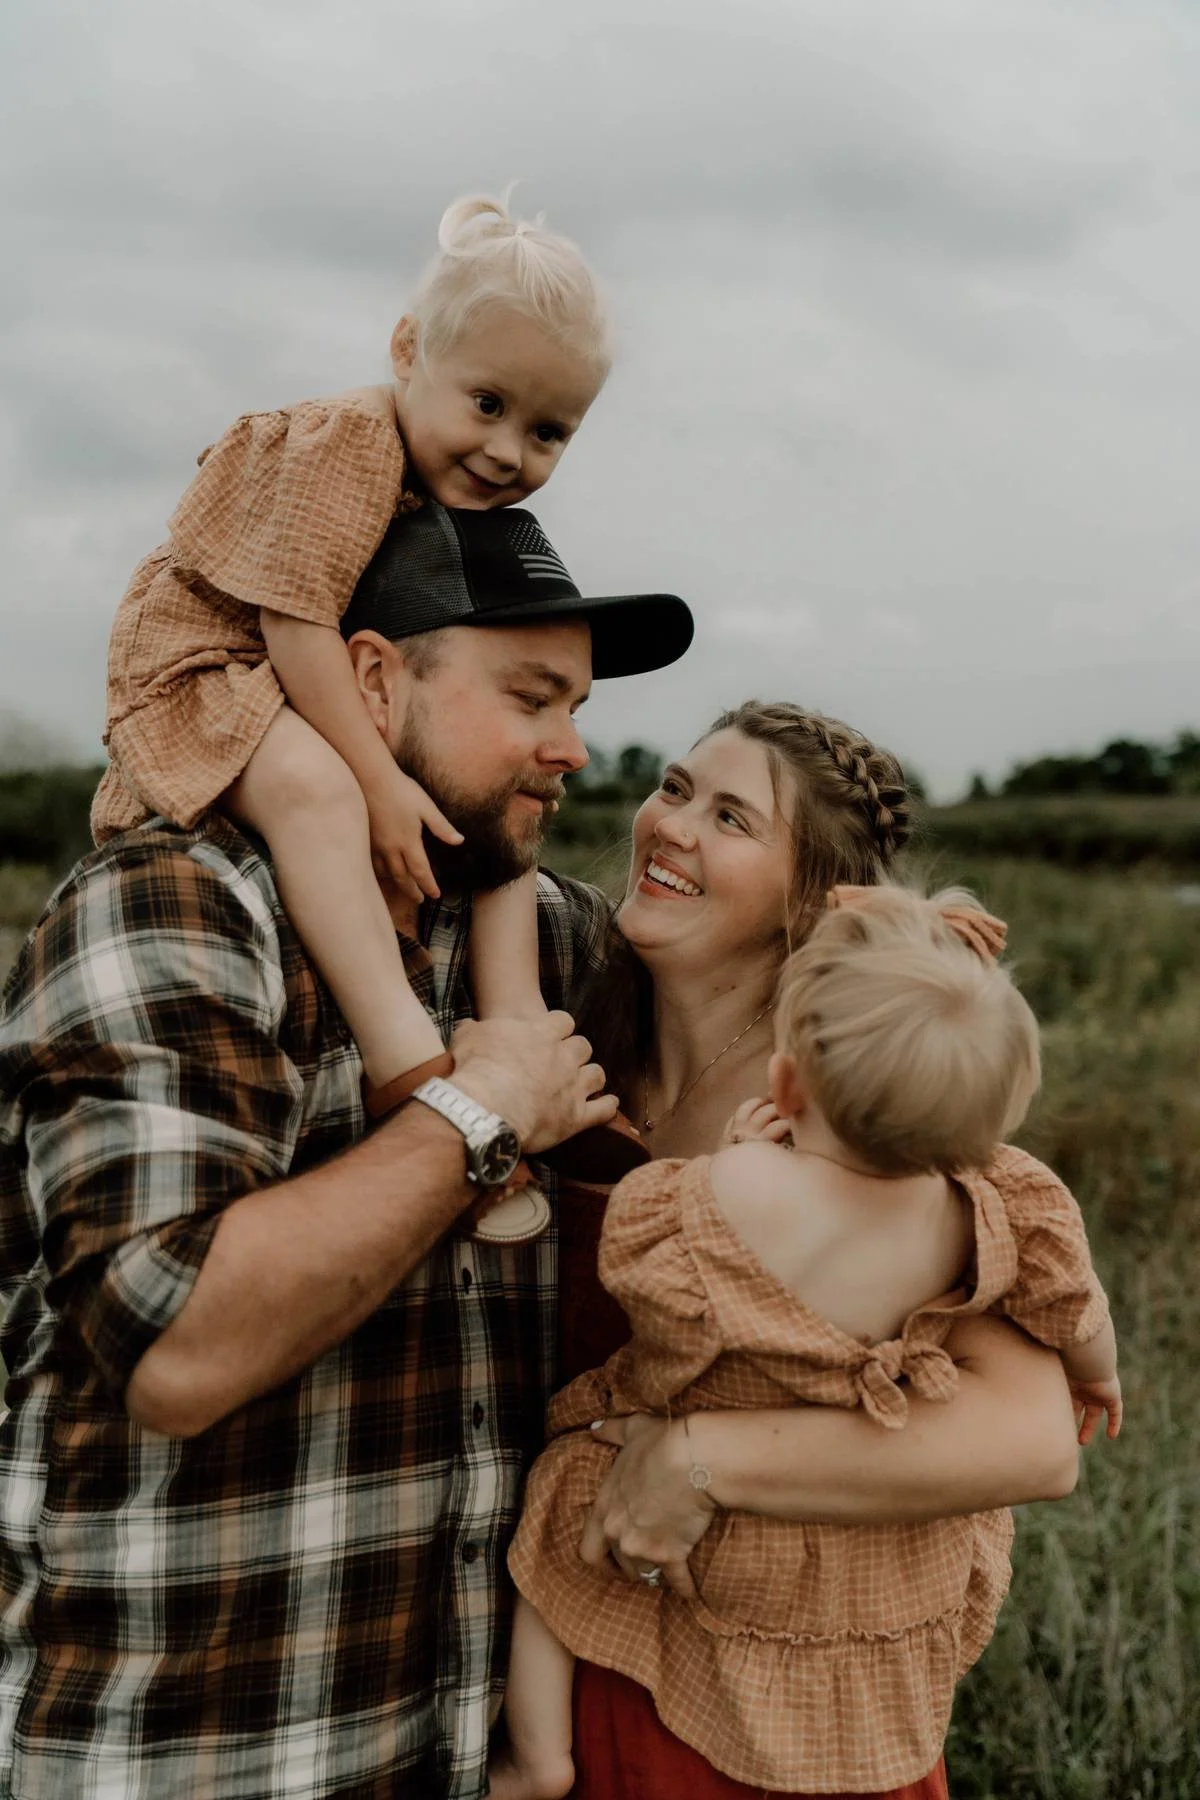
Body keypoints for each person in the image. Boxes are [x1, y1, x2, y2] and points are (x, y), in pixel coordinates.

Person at [0, 507, 693, 1800]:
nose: (573, 748)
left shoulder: (552, 943)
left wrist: (885, 935)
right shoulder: (172, 907)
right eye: (531, 697)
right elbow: (174, 1348)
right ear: (372, 682)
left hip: (454, 1756)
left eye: (577, 704)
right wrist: (476, 1120)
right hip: (186, 1755)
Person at [458, 700, 1080, 1800]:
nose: (671, 824)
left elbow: (1035, 1440)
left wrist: (699, 1459)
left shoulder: (864, 1119)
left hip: (774, 1695)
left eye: (732, 817)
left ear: (807, 897)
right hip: (587, 1638)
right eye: (676, 786)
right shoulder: (580, 1046)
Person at [90, 193, 612, 1230]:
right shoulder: (351, 449)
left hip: (293, 662)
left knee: (494, 821)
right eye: (487, 404)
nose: (510, 453)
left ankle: (514, 1032)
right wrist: (378, 781)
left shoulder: (442, 495)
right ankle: (408, 1065)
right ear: (407, 350)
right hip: (208, 657)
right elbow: (292, 629)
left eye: (548, 429)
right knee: (320, 793)